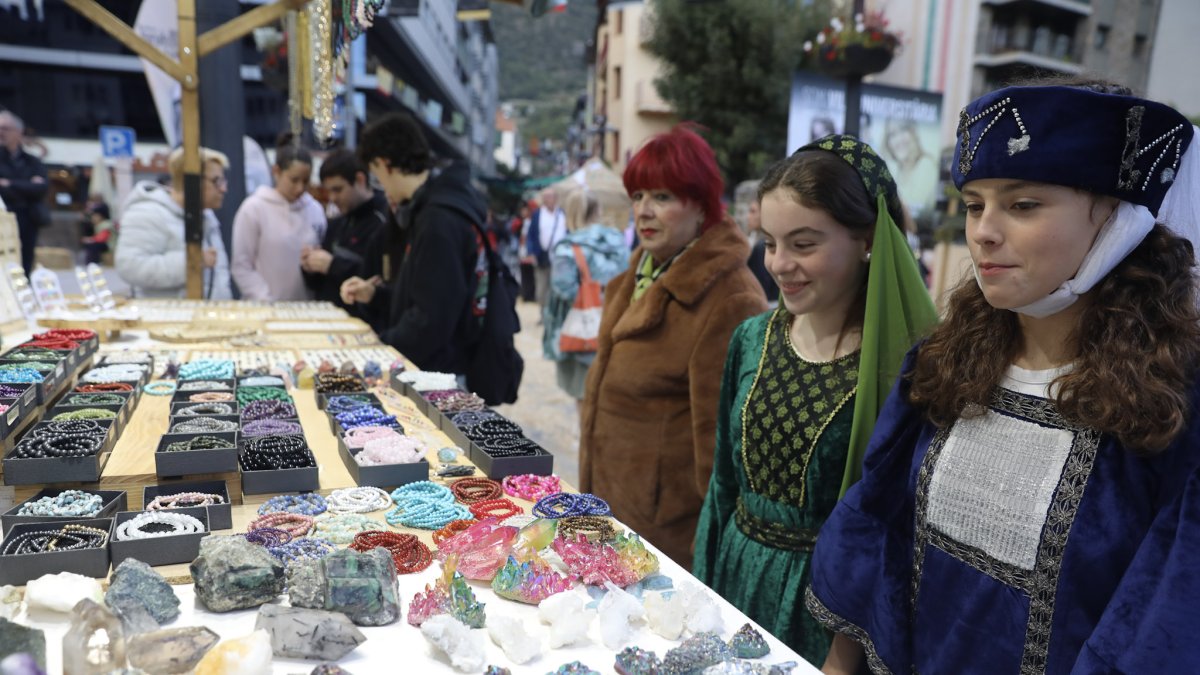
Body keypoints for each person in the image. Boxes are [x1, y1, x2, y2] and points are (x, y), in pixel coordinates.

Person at [809, 80, 1200, 674]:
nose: (983, 231)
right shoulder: (945, 364)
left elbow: (1159, 627)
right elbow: (876, 529)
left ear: (1117, 219)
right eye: (973, 204)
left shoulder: (1174, 406)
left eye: (1022, 205)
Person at [693, 136, 937, 666]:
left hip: (825, 613)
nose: (778, 264)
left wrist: (842, 657)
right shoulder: (751, 340)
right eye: (770, 242)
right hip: (734, 580)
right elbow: (722, 485)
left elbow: (891, 530)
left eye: (803, 244)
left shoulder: (900, 370)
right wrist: (702, 595)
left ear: (867, 239)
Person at [578, 125, 769, 569]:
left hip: (663, 540)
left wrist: (709, 561)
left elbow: (720, 452)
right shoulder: (640, 274)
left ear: (701, 206)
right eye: (639, 196)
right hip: (610, 512)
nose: (644, 211)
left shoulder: (729, 297)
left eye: (662, 197)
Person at [340, 111, 488, 379]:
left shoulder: (438, 219)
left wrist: (381, 349)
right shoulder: (434, 208)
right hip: (440, 366)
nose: (382, 188)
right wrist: (377, 296)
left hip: (440, 374)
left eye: (376, 176)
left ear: (385, 165)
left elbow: (432, 318)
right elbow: (428, 291)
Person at [542, 189, 629, 406]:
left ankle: (585, 439)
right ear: (598, 210)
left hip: (579, 333)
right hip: (615, 326)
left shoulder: (568, 248)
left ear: (570, 213)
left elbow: (562, 287)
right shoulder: (618, 241)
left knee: (583, 396)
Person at [115, 146, 232, 299]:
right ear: (191, 180)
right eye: (217, 181)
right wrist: (193, 261)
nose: (223, 189)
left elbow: (218, 276)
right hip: (165, 319)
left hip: (204, 318)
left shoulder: (206, 216)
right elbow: (130, 267)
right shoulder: (148, 213)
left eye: (223, 181)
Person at [232, 133, 326, 301]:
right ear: (276, 171)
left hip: (306, 310)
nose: (299, 188)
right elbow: (241, 265)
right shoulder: (254, 208)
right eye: (294, 180)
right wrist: (264, 298)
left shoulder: (315, 210)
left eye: (305, 181)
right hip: (263, 308)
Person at [302, 148, 388, 308]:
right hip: (330, 319)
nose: (333, 198)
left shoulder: (384, 220)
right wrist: (310, 268)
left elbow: (379, 279)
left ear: (360, 180)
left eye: (338, 189)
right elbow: (320, 284)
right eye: (328, 191)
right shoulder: (337, 223)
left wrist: (333, 265)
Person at [0, 111, 48, 276]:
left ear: (18, 132)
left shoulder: (32, 161)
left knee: (25, 261)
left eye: (5, 128)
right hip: (3, 219)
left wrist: (10, 183)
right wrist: (27, 185)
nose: (1, 132)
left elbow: (41, 189)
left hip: (28, 219)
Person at [525, 188, 566, 306]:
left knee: (557, 287)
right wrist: (531, 252)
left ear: (556, 198)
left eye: (550, 196)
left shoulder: (562, 214)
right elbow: (531, 235)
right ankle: (544, 315)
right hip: (541, 256)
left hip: (560, 257)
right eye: (546, 197)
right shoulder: (537, 214)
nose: (548, 199)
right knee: (542, 288)